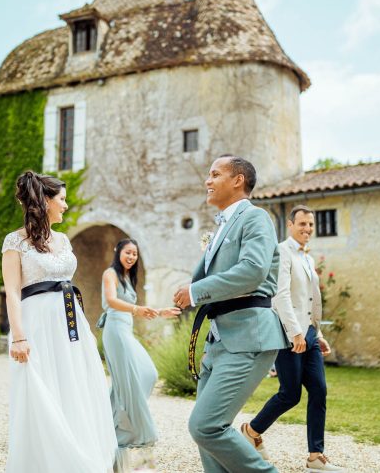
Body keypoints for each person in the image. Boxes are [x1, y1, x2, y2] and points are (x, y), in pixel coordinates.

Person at [173, 155, 288, 473]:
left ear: (238, 180)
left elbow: (253, 271)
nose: (207, 181)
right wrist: (182, 300)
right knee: (208, 435)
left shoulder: (255, 218)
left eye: (215, 174)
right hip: (219, 340)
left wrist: (196, 292)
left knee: (205, 426)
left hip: (248, 335)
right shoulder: (220, 227)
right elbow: (205, 280)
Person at [2, 171, 116, 472]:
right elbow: (12, 292)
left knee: (74, 385)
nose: (66, 205)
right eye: (62, 199)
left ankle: (79, 454)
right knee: (42, 389)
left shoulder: (64, 240)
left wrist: (85, 329)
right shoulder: (15, 241)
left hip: (70, 322)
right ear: (46, 201)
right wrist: (18, 337)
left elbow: (69, 284)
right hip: (36, 323)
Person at [243, 205, 342, 472]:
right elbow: (280, 296)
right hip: (291, 335)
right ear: (290, 225)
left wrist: (317, 334)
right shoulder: (282, 251)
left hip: (308, 334)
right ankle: (251, 430)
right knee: (290, 394)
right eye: (302, 224)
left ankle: (315, 456)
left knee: (319, 390)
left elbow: (309, 301)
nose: (308, 229)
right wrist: (295, 333)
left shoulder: (308, 259)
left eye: (311, 225)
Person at [99, 238, 180, 471]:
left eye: (135, 253)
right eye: (128, 252)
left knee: (147, 374)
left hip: (126, 330)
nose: (132, 256)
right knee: (129, 380)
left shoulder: (128, 277)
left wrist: (160, 311)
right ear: (118, 252)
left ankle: (112, 424)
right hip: (115, 331)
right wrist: (136, 309)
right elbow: (112, 301)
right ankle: (125, 430)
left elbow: (137, 309)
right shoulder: (110, 274)